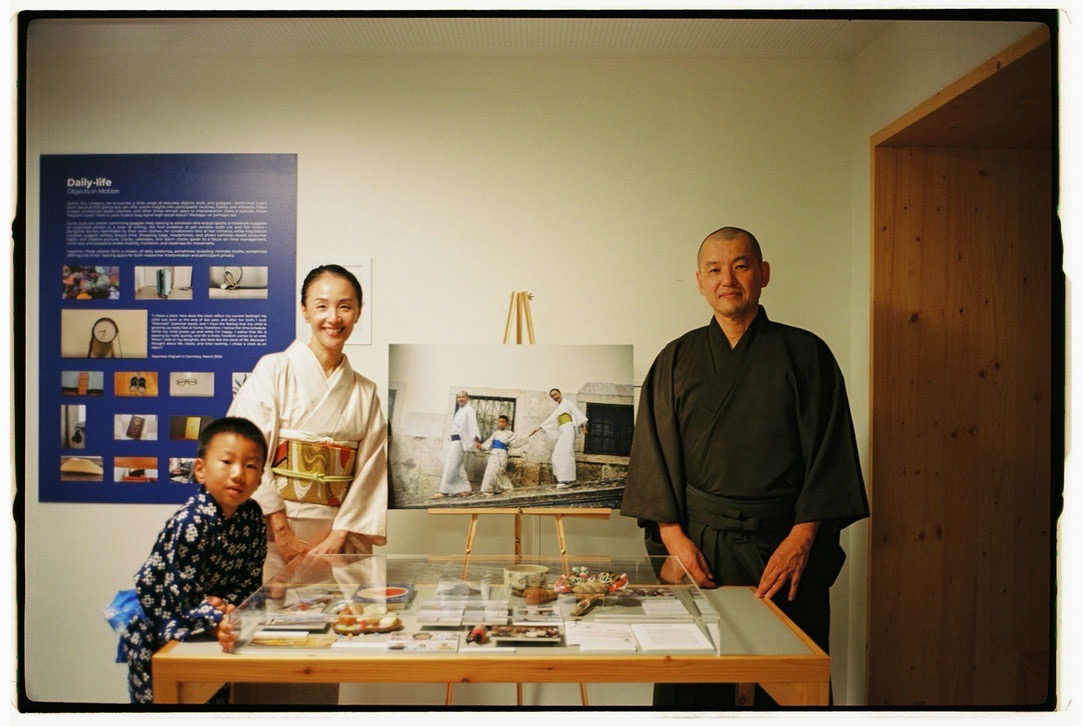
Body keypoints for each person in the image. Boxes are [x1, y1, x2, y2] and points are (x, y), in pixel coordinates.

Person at [621, 226, 869, 709]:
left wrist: (802, 541)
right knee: (692, 686)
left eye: (740, 265)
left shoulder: (807, 355)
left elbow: (829, 454)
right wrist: (672, 541)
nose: (727, 279)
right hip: (699, 548)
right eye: (714, 269)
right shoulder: (675, 360)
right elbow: (652, 455)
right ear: (699, 281)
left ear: (763, 274)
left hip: (783, 548)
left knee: (792, 684)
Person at [228, 264, 389, 576]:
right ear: (304, 310)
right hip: (271, 532)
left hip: (335, 540)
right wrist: (281, 531)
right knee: (269, 617)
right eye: (322, 306)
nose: (333, 318)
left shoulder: (365, 392)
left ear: (358, 312)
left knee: (336, 620)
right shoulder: (274, 369)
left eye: (345, 306)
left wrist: (339, 535)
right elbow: (246, 452)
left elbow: (371, 471)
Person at [116, 417, 268, 703]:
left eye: (250, 466)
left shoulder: (253, 517)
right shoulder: (190, 521)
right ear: (200, 469)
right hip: (164, 631)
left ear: (260, 478)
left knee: (216, 702)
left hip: (218, 628)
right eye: (227, 462)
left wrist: (230, 607)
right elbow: (175, 597)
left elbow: (251, 578)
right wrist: (214, 616)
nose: (239, 474)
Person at [531, 388, 588, 488]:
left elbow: (576, 413)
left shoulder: (567, 403)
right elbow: (551, 419)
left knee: (566, 453)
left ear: (560, 393)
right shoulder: (559, 408)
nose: (555, 397)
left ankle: (567, 480)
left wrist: (583, 427)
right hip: (563, 431)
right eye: (552, 396)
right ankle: (564, 478)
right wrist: (538, 428)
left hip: (569, 429)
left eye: (556, 394)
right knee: (557, 455)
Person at [436, 390, 481, 498]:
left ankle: (444, 491)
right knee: (458, 465)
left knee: (451, 464)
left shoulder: (469, 410)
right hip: (454, 440)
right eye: (459, 397)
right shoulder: (460, 410)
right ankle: (465, 489)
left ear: (467, 398)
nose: (460, 399)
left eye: (463, 397)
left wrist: (476, 439)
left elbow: (472, 424)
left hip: (460, 440)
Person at [479, 414, 528, 496]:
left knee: (500, 471)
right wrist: (481, 447)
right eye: (499, 422)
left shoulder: (509, 433)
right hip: (494, 453)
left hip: (502, 454)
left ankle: (504, 488)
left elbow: (518, 439)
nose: (501, 424)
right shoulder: (495, 433)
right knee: (490, 470)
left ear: (506, 424)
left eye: (503, 422)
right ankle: (488, 489)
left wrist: (527, 436)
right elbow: (489, 442)